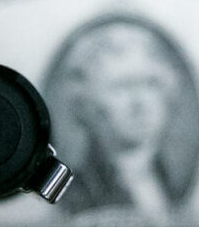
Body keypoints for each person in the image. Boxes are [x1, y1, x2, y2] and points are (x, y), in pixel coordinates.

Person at [57, 21, 187, 216]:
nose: (139, 102)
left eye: (150, 84)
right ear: (89, 103)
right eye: (122, 87)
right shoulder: (74, 193)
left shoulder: (170, 182)